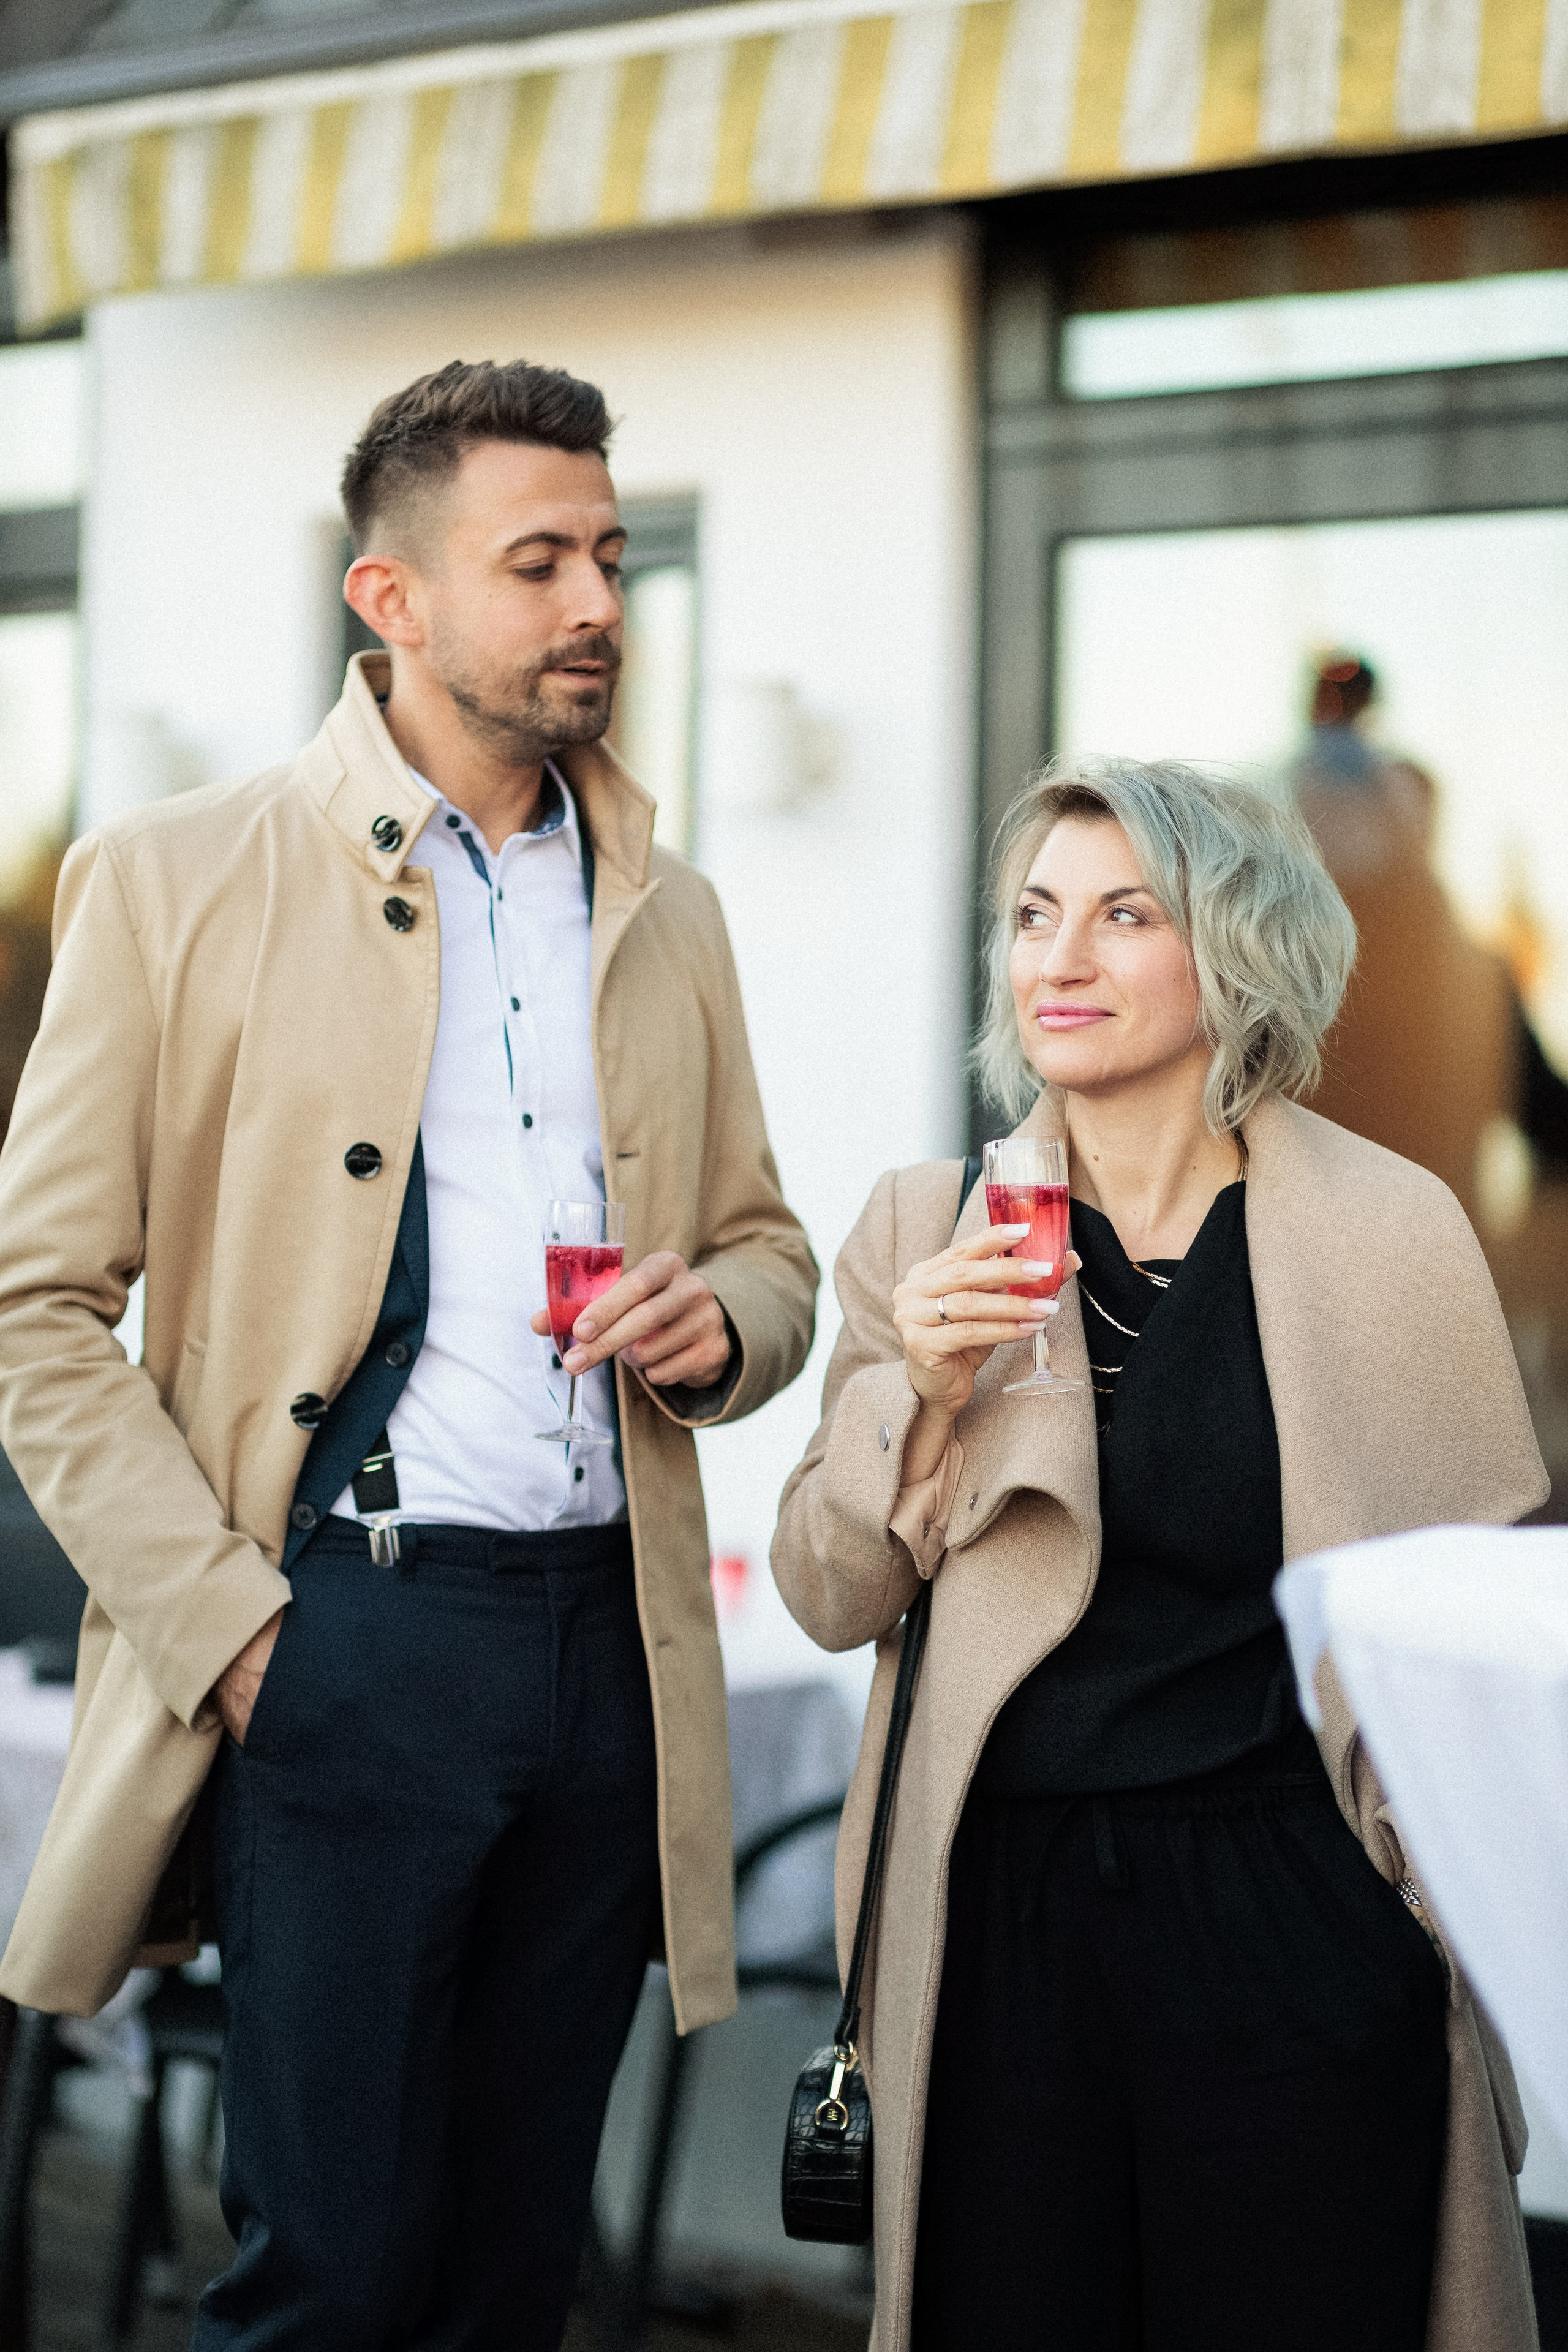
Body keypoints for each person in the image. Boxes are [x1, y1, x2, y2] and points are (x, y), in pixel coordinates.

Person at [0, 358, 818, 2350]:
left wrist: (723, 1322)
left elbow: (772, 1252)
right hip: (344, 1641)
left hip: (608, 1651)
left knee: (513, 2278)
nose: (598, 601)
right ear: (393, 598)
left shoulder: (674, 912)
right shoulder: (175, 877)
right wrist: (233, 1633)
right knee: (333, 2282)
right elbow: (35, 1311)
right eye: (537, 562)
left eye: (609, 555)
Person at [772, 758, 1547, 2352]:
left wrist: (1408, 1922)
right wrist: (915, 1395)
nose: (1059, 958)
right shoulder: (926, 1225)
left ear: (1239, 950)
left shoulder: (1388, 1236)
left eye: (1126, 915)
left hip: (1295, 1906)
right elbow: (827, 1593)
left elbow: (1462, 1609)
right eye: (1033, 915)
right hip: (1000, 1926)